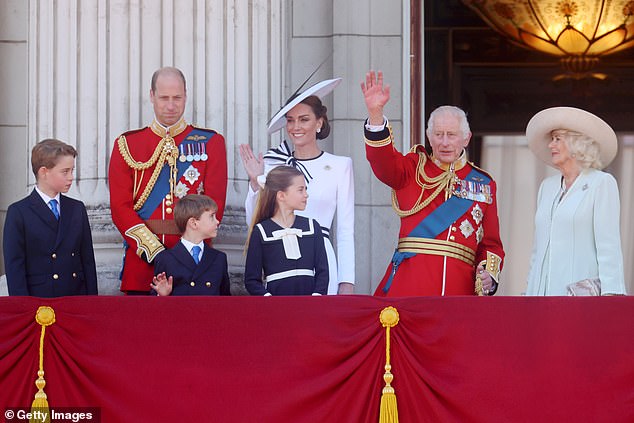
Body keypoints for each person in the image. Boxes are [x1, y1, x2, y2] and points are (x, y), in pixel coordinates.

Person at [360, 70, 505, 296]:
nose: (444, 142)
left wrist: (489, 275)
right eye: (438, 134)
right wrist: (375, 114)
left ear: (466, 138)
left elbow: (491, 244)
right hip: (410, 287)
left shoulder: (483, 183)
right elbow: (383, 162)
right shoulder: (412, 168)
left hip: (460, 291)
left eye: (451, 135)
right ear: (429, 137)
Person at [109, 66, 228, 295]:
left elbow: (215, 204)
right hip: (143, 266)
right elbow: (120, 208)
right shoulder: (127, 145)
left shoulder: (210, 142)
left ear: (186, 96)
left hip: (195, 267)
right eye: (164, 98)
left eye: (177, 98)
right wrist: (155, 252)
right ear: (151, 96)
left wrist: (182, 253)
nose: (171, 106)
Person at [239, 78, 354, 295]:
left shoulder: (340, 165)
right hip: (279, 258)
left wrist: (346, 281)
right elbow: (253, 222)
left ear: (319, 122)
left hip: (321, 261)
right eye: (290, 120)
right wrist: (255, 183)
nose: (295, 127)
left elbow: (346, 230)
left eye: (304, 119)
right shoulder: (272, 164)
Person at [525, 106, 626, 296]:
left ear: (576, 143)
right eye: (551, 139)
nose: (550, 145)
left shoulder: (601, 183)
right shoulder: (547, 187)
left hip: (579, 299)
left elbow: (609, 248)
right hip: (540, 297)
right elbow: (537, 252)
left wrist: (611, 296)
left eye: (557, 139)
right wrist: (529, 292)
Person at [3, 139, 98, 296]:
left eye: (72, 170)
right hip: (40, 304)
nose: (71, 177)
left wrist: (92, 305)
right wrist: (24, 311)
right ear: (44, 172)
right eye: (65, 171)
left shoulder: (77, 209)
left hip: (76, 300)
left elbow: (87, 262)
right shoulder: (19, 212)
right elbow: (15, 269)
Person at [244, 166, 329, 296]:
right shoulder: (261, 231)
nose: (306, 194)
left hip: (310, 306)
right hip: (276, 308)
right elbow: (251, 280)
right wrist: (269, 299)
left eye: (305, 189)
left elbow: (323, 271)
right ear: (281, 195)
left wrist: (317, 296)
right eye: (300, 190)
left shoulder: (312, 227)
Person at [151, 194, 230, 296]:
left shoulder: (219, 258)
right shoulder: (165, 259)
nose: (217, 221)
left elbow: (226, 300)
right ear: (193, 223)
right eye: (211, 217)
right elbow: (153, 305)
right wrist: (162, 295)